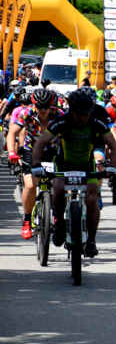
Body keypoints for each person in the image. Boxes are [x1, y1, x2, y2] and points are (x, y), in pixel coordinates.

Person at [31, 89, 116, 257]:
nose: (82, 117)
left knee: (92, 197)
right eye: (78, 114)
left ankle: (92, 240)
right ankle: (59, 225)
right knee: (57, 188)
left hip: (87, 165)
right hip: (63, 164)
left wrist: (113, 166)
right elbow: (40, 144)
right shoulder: (61, 121)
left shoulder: (96, 122)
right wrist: (36, 164)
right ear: (71, 110)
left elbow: (114, 146)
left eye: (86, 113)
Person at [11, 88, 63, 239]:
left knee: (59, 185)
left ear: (51, 104)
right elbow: (12, 132)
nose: (43, 110)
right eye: (39, 106)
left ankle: (58, 217)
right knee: (30, 185)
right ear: (34, 104)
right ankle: (27, 220)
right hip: (31, 150)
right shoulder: (27, 112)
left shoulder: (59, 114)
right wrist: (12, 152)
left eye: (46, 106)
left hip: (53, 151)